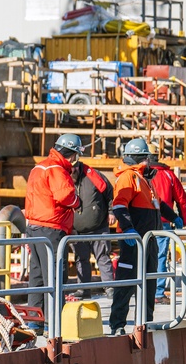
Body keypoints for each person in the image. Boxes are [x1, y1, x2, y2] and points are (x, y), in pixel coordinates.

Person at [24, 134, 82, 329]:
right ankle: (54, 322)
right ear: (72, 154)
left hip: (34, 226)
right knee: (56, 275)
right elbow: (65, 195)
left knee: (38, 276)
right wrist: (77, 202)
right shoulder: (57, 169)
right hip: (52, 228)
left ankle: (35, 320)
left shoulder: (40, 166)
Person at [107, 138, 161, 335]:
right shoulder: (129, 177)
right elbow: (120, 205)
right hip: (134, 241)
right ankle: (117, 324)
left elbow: (156, 206)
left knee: (149, 281)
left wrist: (173, 218)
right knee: (127, 282)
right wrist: (128, 228)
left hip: (148, 240)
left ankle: (145, 322)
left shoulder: (145, 180)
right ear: (142, 159)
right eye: (148, 159)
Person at [148, 146, 186, 302]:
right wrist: (182, 220)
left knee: (141, 254)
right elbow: (182, 200)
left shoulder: (138, 175)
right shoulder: (168, 175)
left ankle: (140, 288)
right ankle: (158, 293)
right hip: (163, 223)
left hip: (143, 222)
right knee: (160, 257)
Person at [71, 159, 114, 298]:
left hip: (99, 226)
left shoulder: (93, 175)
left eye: (73, 169)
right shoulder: (63, 177)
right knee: (81, 259)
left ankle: (110, 288)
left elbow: (109, 193)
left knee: (103, 257)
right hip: (77, 229)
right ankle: (83, 289)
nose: (71, 172)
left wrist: (111, 212)